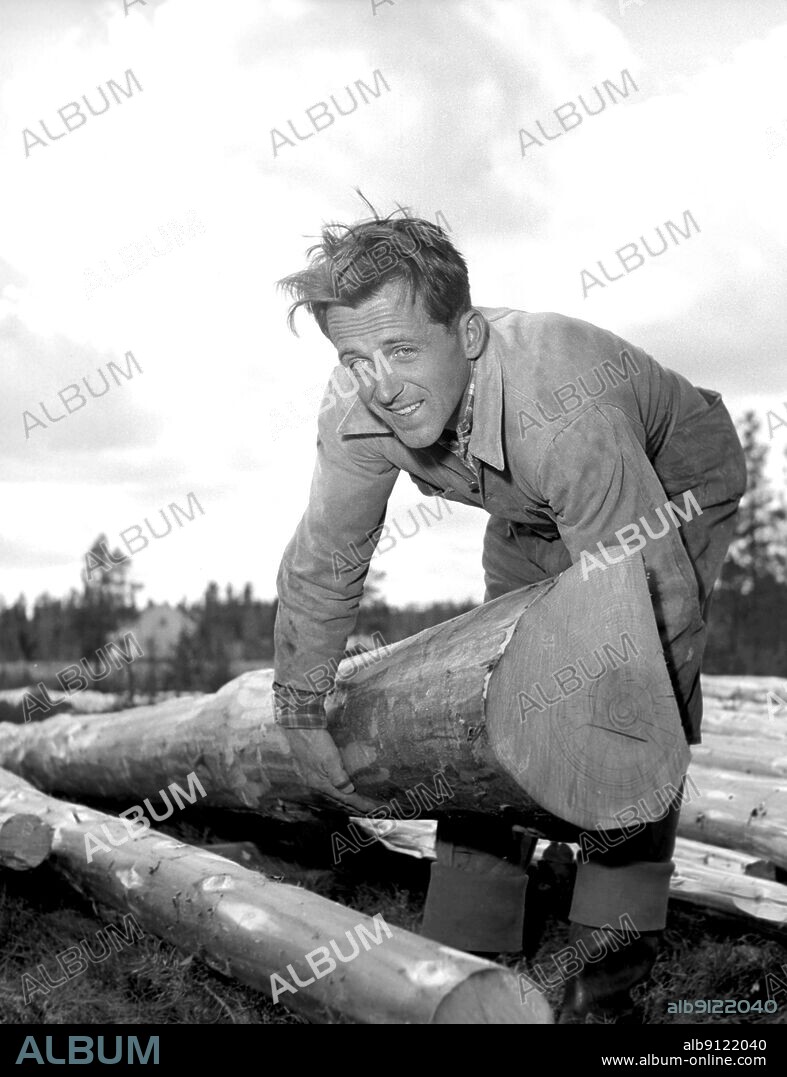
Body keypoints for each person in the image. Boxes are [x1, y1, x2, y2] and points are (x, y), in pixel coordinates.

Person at [270, 212, 746, 1022]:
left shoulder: (559, 401)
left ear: (469, 334)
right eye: (355, 357)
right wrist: (299, 707)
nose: (379, 382)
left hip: (664, 488)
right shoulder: (354, 407)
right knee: (484, 696)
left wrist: (607, 755)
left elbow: (643, 612)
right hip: (529, 510)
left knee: (632, 703)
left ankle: (605, 968)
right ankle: (472, 943)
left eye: (401, 350)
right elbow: (325, 561)